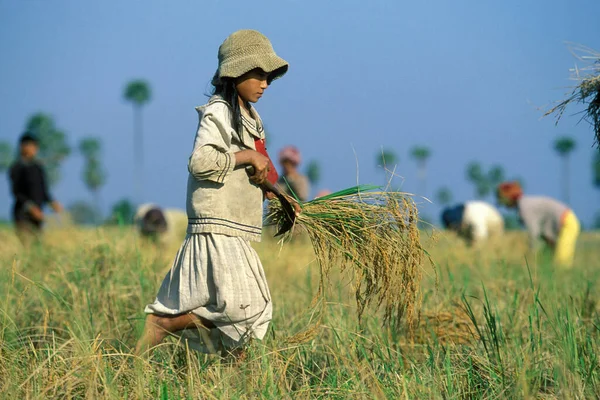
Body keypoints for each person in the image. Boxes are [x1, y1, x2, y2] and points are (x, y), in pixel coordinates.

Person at [135, 30, 292, 357]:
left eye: (268, 79)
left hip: (236, 225)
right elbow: (201, 161)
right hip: (217, 223)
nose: (265, 85)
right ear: (236, 71)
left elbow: (255, 169)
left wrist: (279, 195)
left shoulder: (251, 117)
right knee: (244, 311)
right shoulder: (218, 111)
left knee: (248, 316)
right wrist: (248, 156)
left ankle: (234, 387)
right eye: (259, 75)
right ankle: (164, 324)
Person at [496, 181, 580, 268]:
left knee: (562, 263)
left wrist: (530, 257)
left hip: (566, 222)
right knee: (550, 261)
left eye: (502, 199)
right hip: (561, 225)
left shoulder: (524, 208)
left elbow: (534, 233)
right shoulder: (524, 205)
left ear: (509, 198)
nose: (503, 204)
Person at [9, 133, 62, 245]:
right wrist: (31, 208)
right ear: (23, 147)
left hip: (38, 215)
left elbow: (43, 191)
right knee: (26, 245)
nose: (35, 149)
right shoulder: (16, 168)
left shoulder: (38, 168)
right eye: (31, 146)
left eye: (35, 146)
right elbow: (16, 192)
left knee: (38, 246)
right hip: (23, 215)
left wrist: (52, 202)